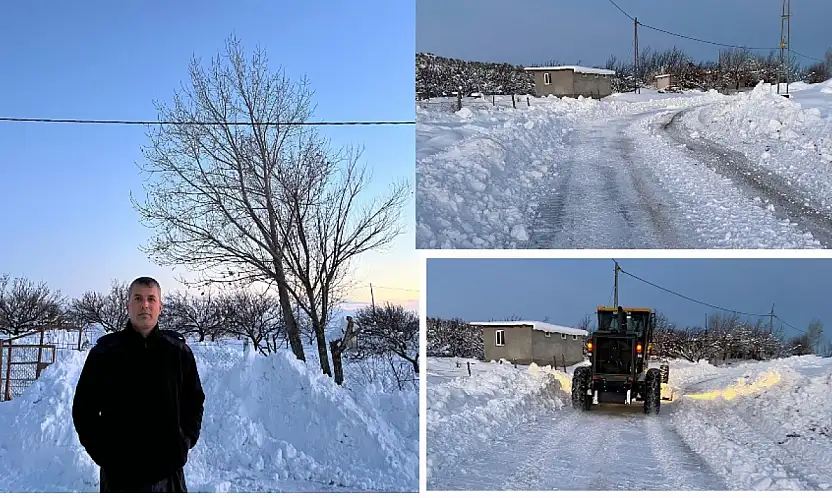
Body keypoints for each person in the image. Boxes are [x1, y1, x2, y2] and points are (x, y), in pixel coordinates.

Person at [72, 276, 205, 492]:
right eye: (138, 298)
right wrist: (103, 453)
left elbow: (194, 401)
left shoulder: (178, 353)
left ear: (160, 307)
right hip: (119, 476)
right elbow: (83, 409)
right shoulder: (105, 353)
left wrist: (184, 442)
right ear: (128, 306)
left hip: (168, 473)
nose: (145, 305)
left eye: (151, 299)